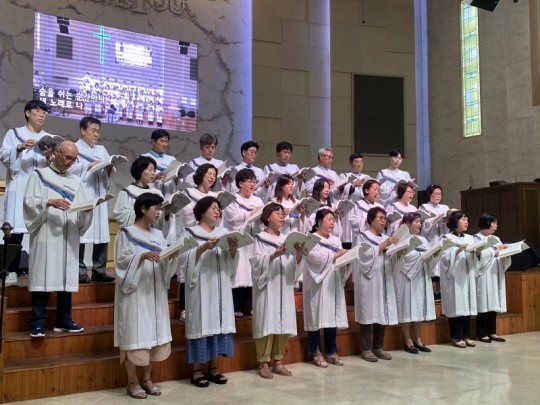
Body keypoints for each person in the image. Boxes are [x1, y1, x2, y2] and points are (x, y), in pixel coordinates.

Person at [23, 140, 92, 338]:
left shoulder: (76, 181)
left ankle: (64, 319)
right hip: (46, 234)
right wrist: (48, 202)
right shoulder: (39, 175)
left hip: (68, 235)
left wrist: (87, 210)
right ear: (58, 153)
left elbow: (82, 207)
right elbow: (29, 202)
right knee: (43, 275)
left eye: (74, 159)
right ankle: (37, 321)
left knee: (66, 277)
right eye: (68, 157)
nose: (70, 162)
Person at [114, 193, 179, 399]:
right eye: (155, 208)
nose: (159, 212)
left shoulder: (159, 235)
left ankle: (147, 378)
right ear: (143, 209)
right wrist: (140, 257)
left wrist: (171, 257)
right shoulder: (126, 233)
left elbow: (164, 263)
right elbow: (121, 262)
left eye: (160, 208)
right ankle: (132, 381)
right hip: (135, 292)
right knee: (134, 334)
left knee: (153, 334)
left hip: (155, 291)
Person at [178, 196, 239, 388]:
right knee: (201, 323)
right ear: (202, 211)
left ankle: (213, 367)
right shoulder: (190, 233)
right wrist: (202, 248)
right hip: (201, 287)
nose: (217, 211)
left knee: (218, 323)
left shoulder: (224, 233)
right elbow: (182, 260)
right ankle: (197, 369)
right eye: (213, 208)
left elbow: (230, 264)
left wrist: (232, 250)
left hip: (220, 287)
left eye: (218, 209)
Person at [249, 203, 304, 379]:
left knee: (283, 321)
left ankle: (278, 361)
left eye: (282, 214)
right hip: (268, 287)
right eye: (277, 213)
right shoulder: (259, 238)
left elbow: (293, 268)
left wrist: (299, 255)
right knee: (267, 321)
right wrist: (273, 255)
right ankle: (263, 363)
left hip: (284, 286)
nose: (281, 216)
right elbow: (256, 263)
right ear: (267, 217)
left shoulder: (288, 239)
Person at [0, 100, 50, 285]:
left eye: (44, 112)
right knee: (15, 231)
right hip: (20, 185)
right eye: (37, 111)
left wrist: (49, 155)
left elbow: (54, 165)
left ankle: (39, 270)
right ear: (27, 113)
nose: (41, 115)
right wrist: (18, 148)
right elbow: (4, 155)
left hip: (40, 189)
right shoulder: (14, 134)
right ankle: (10, 271)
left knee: (41, 232)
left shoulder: (48, 137)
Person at [70, 116, 115, 284]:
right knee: (81, 233)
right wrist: (87, 165)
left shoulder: (101, 149)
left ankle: (99, 270)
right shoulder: (74, 148)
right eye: (93, 131)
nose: (96, 134)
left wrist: (109, 167)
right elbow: (69, 169)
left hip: (99, 194)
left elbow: (108, 174)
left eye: (98, 131)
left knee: (102, 233)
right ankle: (80, 270)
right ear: (82, 130)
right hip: (83, 195)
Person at [303, 209, 349, 367]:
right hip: (316, 283)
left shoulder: (336, 240)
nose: (332, 222)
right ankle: (315, 351)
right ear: (318, 222)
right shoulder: (311, 239)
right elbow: (315, 258)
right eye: (329, 219)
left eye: (333, 220)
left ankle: (330, 351)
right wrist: (336, 255)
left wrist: (347, 259)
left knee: (331, 316)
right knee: (315, 316)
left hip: (333, 282)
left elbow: (340, 260)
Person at [353, 207, 398, 362]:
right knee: (368, 313)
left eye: (385, 218)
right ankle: (366, 349)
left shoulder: (386, 238)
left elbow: (391, 257)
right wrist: (384, 245)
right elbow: (363, 256)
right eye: (380, 218)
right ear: (371, 219)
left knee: (381, 312)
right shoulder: (362, 237)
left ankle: (378, 347)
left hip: (384, 278)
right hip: (368, 280)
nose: (383, 221)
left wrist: (398, 253)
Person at [221, 169, 264, 317]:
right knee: (238, 272)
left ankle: (248, 306)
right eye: (249, 181)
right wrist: (251, 213)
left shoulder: (258, 201)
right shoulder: (233, 199)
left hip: (252, 241)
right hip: (238, 242)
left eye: (254, 181)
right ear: (240, 183)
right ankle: (236, 307)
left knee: (251, 273)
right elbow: (232, 219)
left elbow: (262, 221)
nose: (253, 184)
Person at [392, 212, 437, 354]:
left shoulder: (423, 240)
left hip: (420, 278)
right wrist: (400, 253)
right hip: (405, 278)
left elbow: (428, 258)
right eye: (416, 221)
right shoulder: (398, 239)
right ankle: (408, 340)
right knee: (406, 308)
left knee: (418, 308)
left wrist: (435, 254)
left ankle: (418, 339)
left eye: (420, 222)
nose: (419, 224)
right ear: (407, 223)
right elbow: (393, 260)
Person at [440, 210, 480, 348]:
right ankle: (456, 337)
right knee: (457, 306)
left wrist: (478, 252)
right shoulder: (446, 238)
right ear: (455, 222)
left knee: (467, 305)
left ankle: (466, 336)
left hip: (467, 274)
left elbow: (474, 257)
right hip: (455, 277)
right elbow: (444, 258)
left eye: (467, 220)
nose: (466, 222)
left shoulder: (470, 238)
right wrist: (457, 250)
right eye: (463, 219)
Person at [113, 156, 174, 243]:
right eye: (150, 170)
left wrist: (166, 214)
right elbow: (121, 216)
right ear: (140, 170)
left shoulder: (157, 193)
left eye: (154, 170)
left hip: (153, 238)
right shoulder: (127, 192)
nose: (153, 173)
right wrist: (144, 214)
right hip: (134, 238)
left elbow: (161, 222)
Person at [474, 213, 510, 343]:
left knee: (493, 303)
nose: (496, 226)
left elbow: (499, 254)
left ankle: (492, 332)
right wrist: (496, 252)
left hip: (495, 273)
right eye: (493, 223)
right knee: (483, 303)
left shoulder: (496, 238)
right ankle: (482, 333)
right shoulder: (476, 239)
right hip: (483, 275)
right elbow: (477, 257)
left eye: (496, 223)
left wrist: (506, 253)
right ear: (486, 223)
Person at [419, 184, 451, 301]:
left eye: (440, 194)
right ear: (429, 195)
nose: (438, 196)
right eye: (435, 194)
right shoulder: (424, 207)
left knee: (442, 266)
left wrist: (447, 220)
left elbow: (449, 225)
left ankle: (440, 291)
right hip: (431, 239)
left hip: (442, 237)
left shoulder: (445, 207)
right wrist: (434, 220)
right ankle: (432, 292)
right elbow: (423, 224)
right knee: (433, 266)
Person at [343, 180, 384, 250]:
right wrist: (367, 219)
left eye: (378, 190)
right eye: (374, 189)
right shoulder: (357, 205)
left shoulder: (380, 207)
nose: (377, 192)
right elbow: (353, 223)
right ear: (366, 190)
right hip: (362, 240)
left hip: (377, 240)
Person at [142, 129, 178, 198]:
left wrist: (177, 178)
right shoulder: (143, 158)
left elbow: (175, 183)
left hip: (168, 196)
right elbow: (139, 179)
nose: (165, 145)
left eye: (167, 142)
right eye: (162, 141)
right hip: (150, 197)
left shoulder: (172, 159)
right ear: (153, 141)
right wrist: (155, 177)